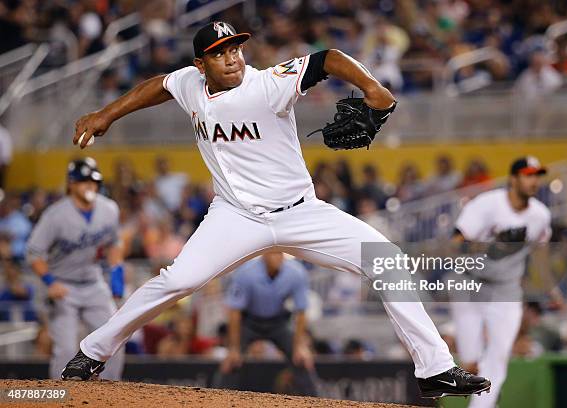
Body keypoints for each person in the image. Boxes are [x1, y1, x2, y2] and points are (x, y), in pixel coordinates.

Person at [62, 21, 490, 398]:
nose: (232, 58)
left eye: (235, 48)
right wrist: (108, 114)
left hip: (300, 213)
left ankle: (435, 370)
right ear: (201, 64)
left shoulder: (268, 83)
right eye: (219, 53)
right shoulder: (189, 83)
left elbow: (329, 58)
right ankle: (90, 353)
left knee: (388, 261)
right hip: (234, 216)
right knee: (177, 280)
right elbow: (158, 84)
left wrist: (372, 88)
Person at [450, 156, 552, 408]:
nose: (533, 181)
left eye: (537, 175)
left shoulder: (540, 215)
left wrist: (550, 287)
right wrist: (492, 246)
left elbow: (541, 249)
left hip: (507, 289)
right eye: (528, 175)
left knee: (498, 358)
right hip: (471, 284)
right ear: (513, 179)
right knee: (471, 361)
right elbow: (455, 243)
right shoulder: (487, 205)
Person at [26, 158, 125, 379]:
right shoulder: (55, 215)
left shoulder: (109, 209)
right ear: (71, 184)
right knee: (66, 350)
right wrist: (50, 282)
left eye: (93, 181)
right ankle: (61, 398)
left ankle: (113, 398)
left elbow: (114, 243)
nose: (89, 185)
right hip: (63, 286)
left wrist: (117, 271)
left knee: (114, 339)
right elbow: (34, 253)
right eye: (83, 181)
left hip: (93, 282)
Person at [217, 252, 316, 396]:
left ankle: (315, 400)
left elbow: (301, 310)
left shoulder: (296, 272)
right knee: (232, 361)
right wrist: (233, 347)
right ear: (264, 255)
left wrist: (299, 345)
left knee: (301, 359)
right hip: (250, 321)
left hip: (278, 322)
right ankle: (215, 399)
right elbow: (234, 311)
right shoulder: (246, 272)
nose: (276, 257)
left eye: (279, 254)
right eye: (272, 254)